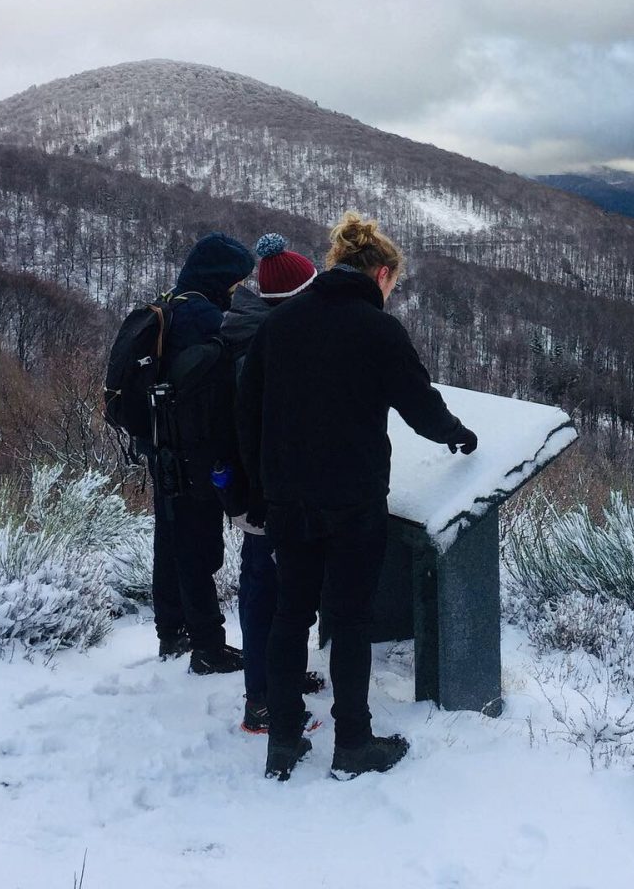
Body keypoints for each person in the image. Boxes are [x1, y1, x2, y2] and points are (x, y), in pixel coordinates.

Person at [238, 212, 478, 781]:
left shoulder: (281, 323)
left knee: (290, 616)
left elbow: (247, 415)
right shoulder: (378, 330)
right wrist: (459, 435)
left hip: (288, 499)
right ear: (383, 274)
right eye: (393, 284)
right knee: (350, 620)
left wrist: (264, 487)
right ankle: (353, 743)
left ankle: (285, 743)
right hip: (353, 497)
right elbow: (419, 406)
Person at [220, 233, 326, 733]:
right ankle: (261, 698)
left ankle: (276, 679)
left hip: (251, 485)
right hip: (263, 491)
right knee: (267, 586)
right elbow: (262, 427)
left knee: (276, 584)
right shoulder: (265, 343)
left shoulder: (243, 323)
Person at [151, 231, 254, 674]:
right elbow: (222, 393)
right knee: (198, 547)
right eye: (234, 282)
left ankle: (172, 630)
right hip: (195, 453)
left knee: (171, 539)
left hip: (163, 449)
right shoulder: (206, 319)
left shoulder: (172, 304)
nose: (236, 291)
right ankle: (209, 646)